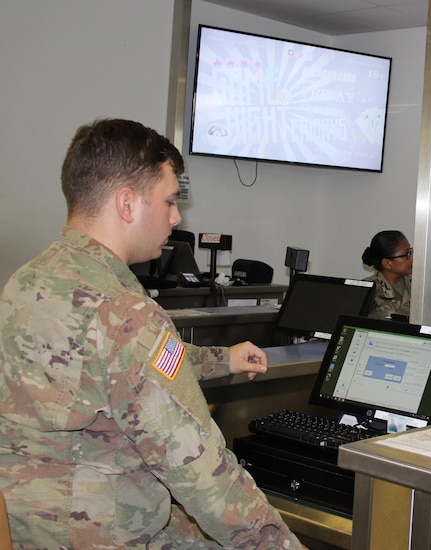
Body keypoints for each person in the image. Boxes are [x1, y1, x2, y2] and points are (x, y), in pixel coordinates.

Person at [0, 119, 305, 549]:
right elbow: (201, 471)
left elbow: (117, 365)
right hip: (99, 531)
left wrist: (221, 359)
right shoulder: (125, 312)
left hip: (24, 522)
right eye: (169, 201)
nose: (176, 217)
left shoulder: (28, 280)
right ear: (127, 204)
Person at [361, 230, 413, 320]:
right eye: (406, 254)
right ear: (387, 263)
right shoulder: (367, 291)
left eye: (410, 251)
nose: (412, 258)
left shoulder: (417, 285)